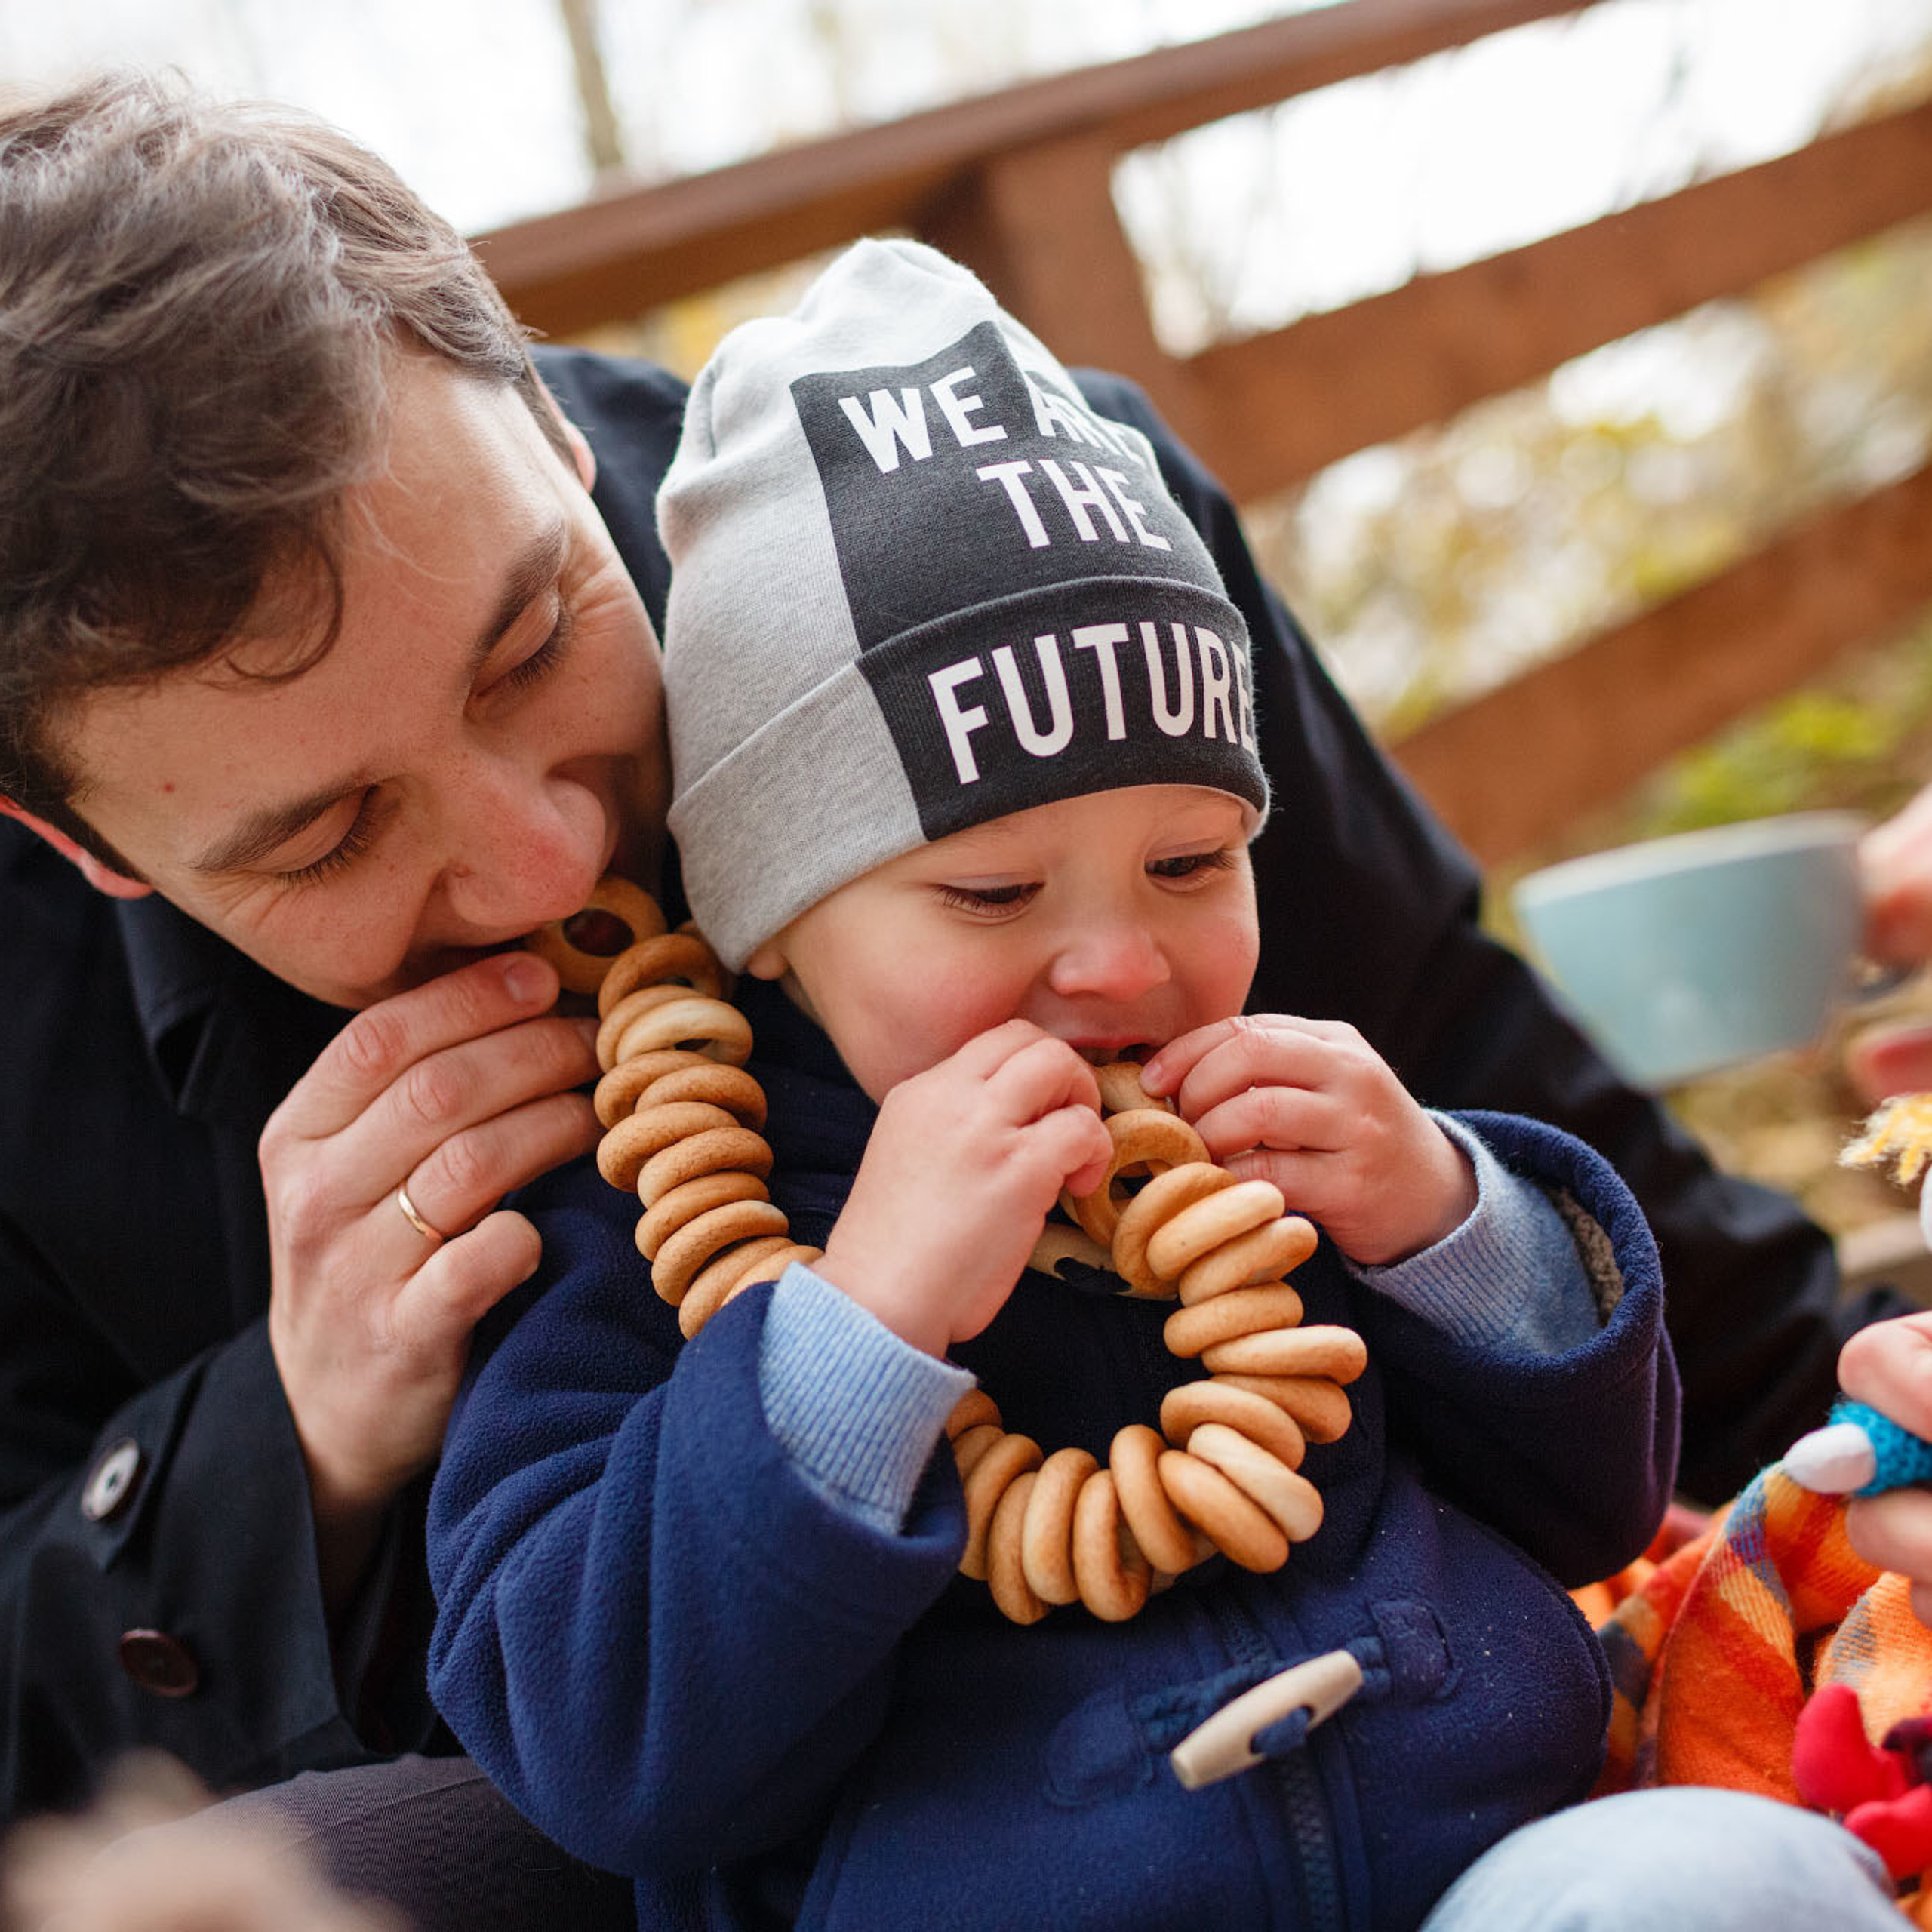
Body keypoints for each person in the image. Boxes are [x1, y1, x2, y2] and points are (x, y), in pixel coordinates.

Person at [0, 63, 1908, 1924]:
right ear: (74, 839)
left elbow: (1527, 1130)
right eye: (327, 834)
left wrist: (1850, 1411)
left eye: (534, 642)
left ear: (552, 431)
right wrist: (283, 1453)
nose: (541, 862)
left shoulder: (1023, 549)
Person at [424, 238, 1678, 1930]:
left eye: (1187, 860)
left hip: (1490, 1856)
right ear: (770, 916)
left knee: (1737, 1874)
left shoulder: (1276, 1141)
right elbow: (603, 1755)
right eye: (992, 895)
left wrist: (1452, 1223)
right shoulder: (645, 1229)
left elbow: (1595, 1500)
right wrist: (855, 1333)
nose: (1115, 962)